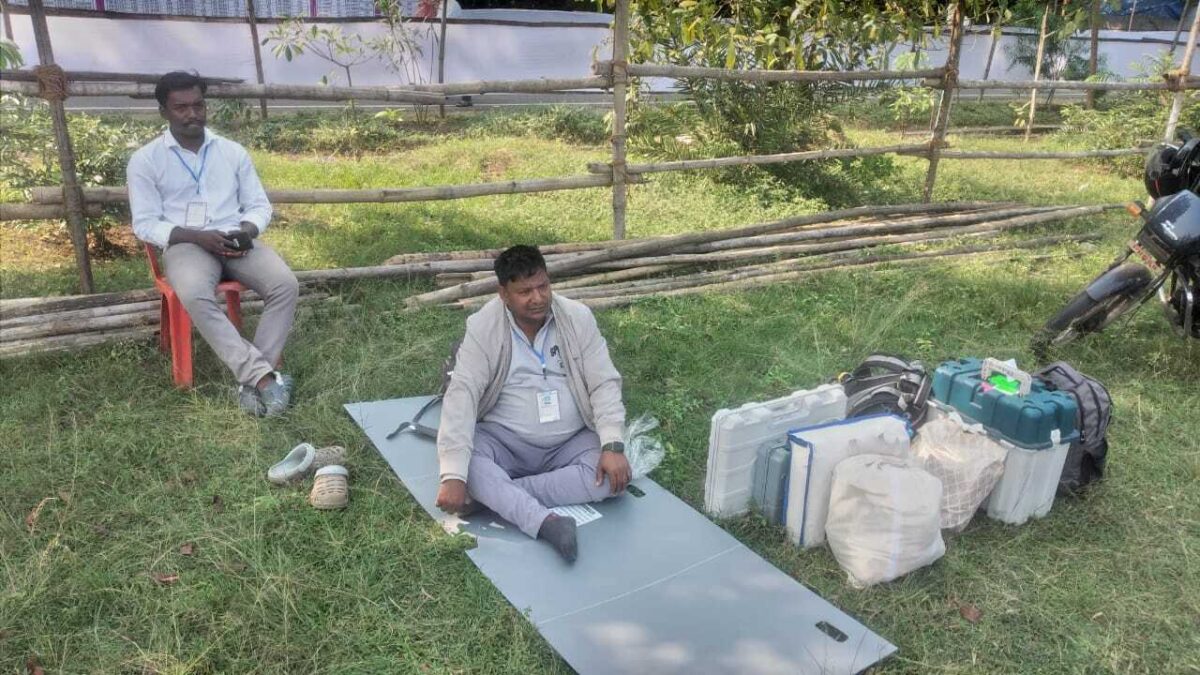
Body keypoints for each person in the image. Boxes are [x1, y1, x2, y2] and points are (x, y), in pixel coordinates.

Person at [434, 245, 632, 563]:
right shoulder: (483, 326)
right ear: (503, 293)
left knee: (612, 479)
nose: (537, 298)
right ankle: (547, 523)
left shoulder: (577, 317)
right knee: (466, 466)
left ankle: (496, 496)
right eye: (525, 291)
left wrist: (612, 444)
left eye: (543, 286)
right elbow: (462, 395)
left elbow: (604, 382)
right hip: (505, 442)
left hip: (569, 441)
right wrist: (454, 477)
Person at [127, 71, 299, 416]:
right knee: (194, 293)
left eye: (198, 105)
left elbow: (259, 205)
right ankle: (264, 378)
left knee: (285, 284)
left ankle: (253, 377)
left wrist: (247, 231)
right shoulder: (146, 160)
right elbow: (145, 223)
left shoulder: (232, 152)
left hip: (235, 240)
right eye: (181, 108)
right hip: (185, 244)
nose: (192, 114)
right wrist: (195, 236)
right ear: (163, 112)